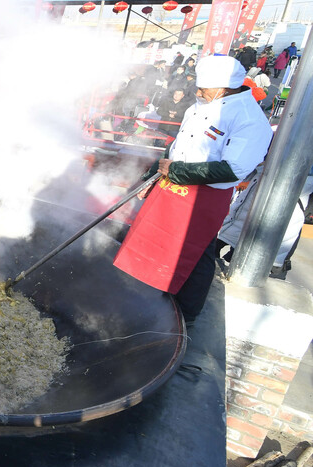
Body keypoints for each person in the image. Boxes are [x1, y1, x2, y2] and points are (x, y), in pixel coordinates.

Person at [113, 56, 274, 323]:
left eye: (204, 88)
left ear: (224, 88)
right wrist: (152, 175)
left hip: (204, 196)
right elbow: (177, 146)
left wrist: (175, 172)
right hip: (171, 184)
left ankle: (185, 314)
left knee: (195, 252)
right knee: (151, 236)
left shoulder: (249, 119)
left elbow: (233, 170)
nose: (197, 93)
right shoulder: (201, 105)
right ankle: (143, 290)